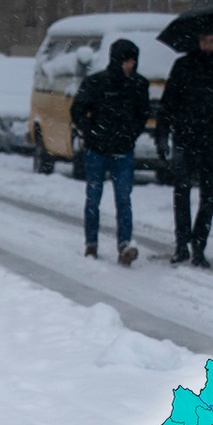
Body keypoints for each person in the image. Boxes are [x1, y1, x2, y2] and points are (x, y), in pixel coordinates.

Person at [156, 30, 213, 267]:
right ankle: (181, 243)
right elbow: (169, 101)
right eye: (203, 40)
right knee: (182, 191)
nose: (207, 45)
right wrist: (162, 133)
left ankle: (199, 245)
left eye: (212, 41)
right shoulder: (184, 65)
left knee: (209, 195)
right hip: (186, 136)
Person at [70, 38, 149, 266]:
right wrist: (91, 132)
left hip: (123, 150)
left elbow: (142, 115)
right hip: (97, 150)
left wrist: (130, 134)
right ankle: (91, 243)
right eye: (126, 61)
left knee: (123, 199)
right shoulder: (96, 83)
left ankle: (124, 244)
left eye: (133, 61)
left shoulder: (138, 85)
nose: (130, 65)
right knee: (94, 198)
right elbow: (77, 110)